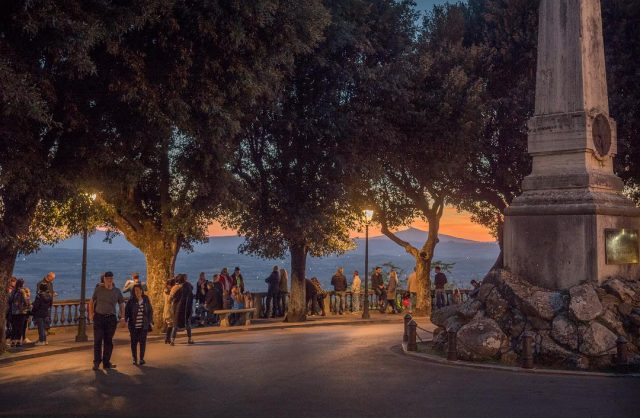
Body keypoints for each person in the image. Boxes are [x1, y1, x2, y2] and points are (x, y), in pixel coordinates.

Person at [88, 271, 125, 370]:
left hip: (111, 319)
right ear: (104, 279)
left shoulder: (117, 291)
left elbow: (122, 304)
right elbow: (91, 302)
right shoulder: (98, 289)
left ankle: (106, 362)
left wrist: (122, 317)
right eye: (106, 279)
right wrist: (91, 314)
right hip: (99, 318)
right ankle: (96, 362)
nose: (108, 280)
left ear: (112, 279)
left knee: (108, 341)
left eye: (110, 279)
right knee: (98, 341)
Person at [125, 284, 153, 365]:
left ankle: (141, 359)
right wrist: (124, 319)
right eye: (135, 291)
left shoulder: (146, 299)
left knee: (142, 342)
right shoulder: (131, 301)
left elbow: (150, 310)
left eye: (139, 290)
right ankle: (134, 358)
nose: (137, 292)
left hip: (143, 325)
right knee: (133, 343)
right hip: (133, 326)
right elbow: (127, 312)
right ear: (133, 292)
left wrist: (150, 320)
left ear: (141, 290)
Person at [170, 274, 194, 345]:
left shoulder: (175, 288)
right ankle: (189, 339)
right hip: (187, 308)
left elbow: (171, 298)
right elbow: (191, 292)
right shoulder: (188, 286)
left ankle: (172, 340)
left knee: (175, 325)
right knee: (187, 324)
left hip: (177, 309)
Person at [8, 278, 30, 347]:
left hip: (14, 312)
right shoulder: (22, 291)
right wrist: (28, 303)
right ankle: (18, 341)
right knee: (20, 327)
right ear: (22, 284)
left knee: (14, 327)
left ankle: (12, 341)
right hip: (21, 312)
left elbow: (10, 300)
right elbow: (25, 301)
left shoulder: (13, 291)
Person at [163, 278, 176, 344]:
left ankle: (167, 339)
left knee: (170, 325)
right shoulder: (168, 292)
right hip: (169, 310)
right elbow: (169, 300)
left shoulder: (166, 291)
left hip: (167, 309)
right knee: (171, 324)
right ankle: (168, 338)